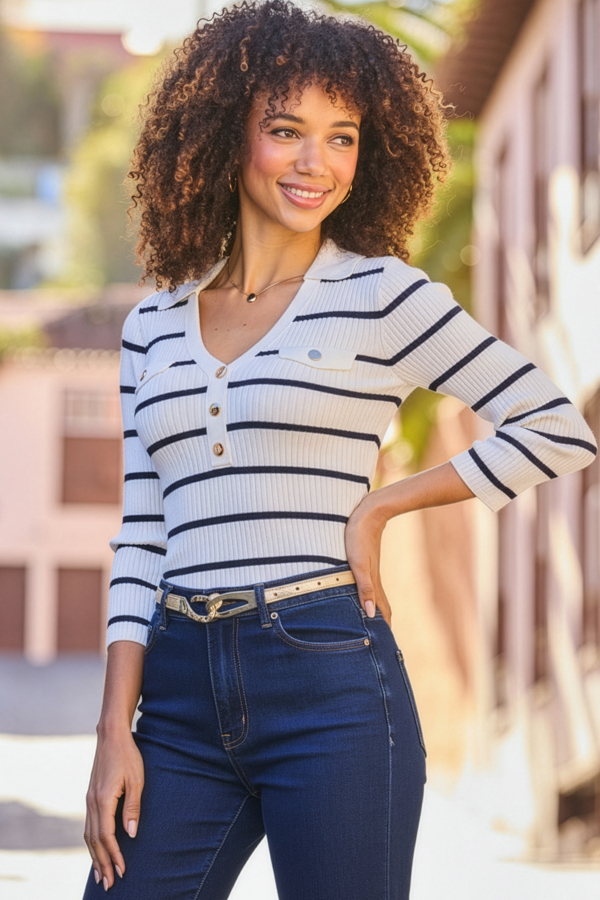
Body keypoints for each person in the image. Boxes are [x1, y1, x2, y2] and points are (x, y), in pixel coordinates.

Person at [82, 1, 597, 897]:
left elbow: (557, 427)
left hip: (329, 677)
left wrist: (384, 502)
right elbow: (143, 533)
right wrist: (111, 729)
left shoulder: (382, 296)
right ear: (221, 133)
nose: (316, 163)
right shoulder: (151, 327)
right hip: (173, 695)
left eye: (343, 136)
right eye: (286, 130)